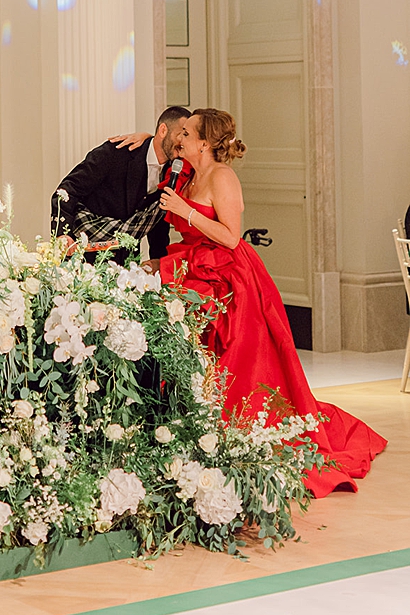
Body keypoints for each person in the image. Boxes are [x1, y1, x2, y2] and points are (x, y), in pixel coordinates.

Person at [151, 107, 386, 497]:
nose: (180, 136)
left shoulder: (223, 177)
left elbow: (230, 237)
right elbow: (159, 147)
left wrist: (186, 212)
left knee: (237, 362)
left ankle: (232, 434)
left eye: (188, 132)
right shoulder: (189, 175)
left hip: (228, 278)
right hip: (194, 270)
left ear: (205, 143)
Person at [51, 106, 191, 261]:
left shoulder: (173, 173)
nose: (184, 142)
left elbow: (158, 225)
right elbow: (68, 189)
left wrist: (160, 266)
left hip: (126, 263)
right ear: (163, 130)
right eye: (181, 135)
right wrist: (62, 235)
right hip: (84, 255)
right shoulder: (116, 152)